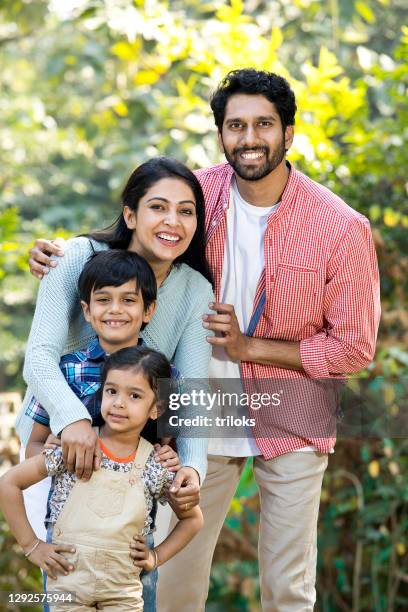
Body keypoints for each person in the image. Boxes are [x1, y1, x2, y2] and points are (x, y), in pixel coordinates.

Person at [28, 69, 381, 611]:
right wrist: (59, 256)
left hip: (291, 409)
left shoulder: (340, 225)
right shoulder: (198, 193)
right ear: (220, 133)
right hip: (197, 405)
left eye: (264, 124)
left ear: (289, 132)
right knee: (175, 581)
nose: (249, 138)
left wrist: (251, 348)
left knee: (288, 586)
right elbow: (131, 239)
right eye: (235, 125)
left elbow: (355, 347)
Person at [24, 248, 184, 610]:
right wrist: (52, 450)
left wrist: (172, 458)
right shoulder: (63, 372)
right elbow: (32, 448)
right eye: (103, 300)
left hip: (130, 546)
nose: (115, 309)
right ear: (86, 311)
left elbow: (168, 449)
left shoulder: (168, 378)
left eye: (128, 300)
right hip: (70, 543)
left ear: (148, 311)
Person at [0, 346, 203, 611]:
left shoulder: (155, 465)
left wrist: (156, 556)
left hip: (123, 594)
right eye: (112, 391)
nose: (119, 402)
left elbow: (193, 518)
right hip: (67, 586)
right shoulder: (74, 449)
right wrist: (32, 546)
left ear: (156, 408)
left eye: (134, 395)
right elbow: (9, 483)